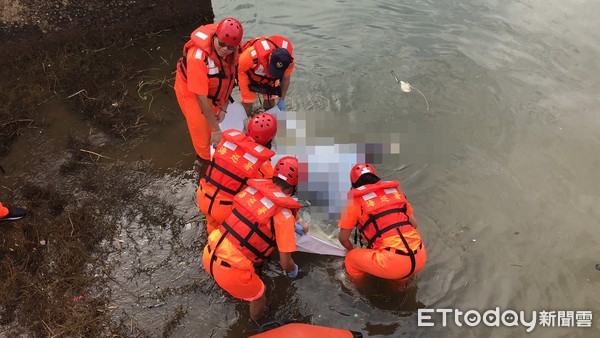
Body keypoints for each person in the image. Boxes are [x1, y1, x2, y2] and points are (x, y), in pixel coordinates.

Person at [202, 156, 303, 321]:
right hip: (231, 271)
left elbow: (249, 222)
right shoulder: (284, 217)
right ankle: (255, 325)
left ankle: (229, 287)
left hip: (209, 253)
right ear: (294, 186)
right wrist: (294, 271)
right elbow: (285, 263)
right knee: (259, 294)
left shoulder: (252, 191)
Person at [337, 164, 426, 283]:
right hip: (420, 255)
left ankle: (359, 293)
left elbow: (343, 239)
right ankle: (398, 287)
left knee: (351, 259)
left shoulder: (354, 201)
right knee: (400, 274)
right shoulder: (395, 192)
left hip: (393, 262)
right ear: (376, 178)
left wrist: (351, 249)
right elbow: (414, 224)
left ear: (353, 185)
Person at [175, 17, 243, 162]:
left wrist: (224, 108)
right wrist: (216, 130)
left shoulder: (234, 51)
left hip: (213, 90)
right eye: (222, 44)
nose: (225, 50)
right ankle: (205, 162)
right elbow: (200, 96)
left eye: (230, 47)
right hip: (191, 92)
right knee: (203, 137)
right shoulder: (197, 58)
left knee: (216, 120)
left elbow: (231, 79)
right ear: (215, 37)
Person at [197, 113, 278, 235]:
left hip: (203, 195)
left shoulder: (226, 143)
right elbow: (270, 192)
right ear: (270, 139)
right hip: (225, 209)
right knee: (227, 237)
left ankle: (210, 238)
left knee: (212, 225)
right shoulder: (263, 165)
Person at [238, 35, 295, 116]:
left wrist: (282, 99)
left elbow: (286, 78)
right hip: (247, 73)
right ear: (270, 56)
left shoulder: (288, 61)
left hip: (269, 79)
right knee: (247, 103)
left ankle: (269, 120)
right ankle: (245, 121)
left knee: (271, 102)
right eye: (273, 68)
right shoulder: (251, 55)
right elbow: (239, 70)